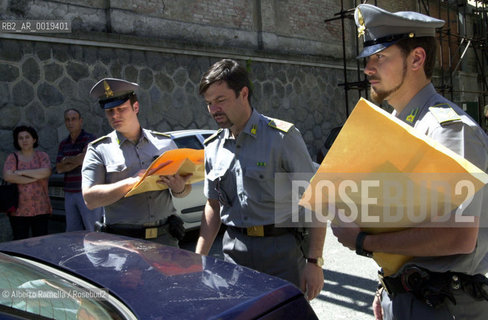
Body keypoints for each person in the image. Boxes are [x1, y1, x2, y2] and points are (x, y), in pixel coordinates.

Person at [331, 4, 488, 320]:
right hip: (407, 295)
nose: (368, 69)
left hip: (444, 304)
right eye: (367, 60)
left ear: (416, 58)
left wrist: (362, 241)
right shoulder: (397, 125)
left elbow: (459, 235)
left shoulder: (449, 130)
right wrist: (386, 285)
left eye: (380, 58)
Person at [194, 59, 326, 301]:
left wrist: (314, 261)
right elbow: (213, 204)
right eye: (209, 104)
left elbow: (316, 200)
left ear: (243, 93)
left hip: (281, 253)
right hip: (234, 252)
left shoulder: (282, 137)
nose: (214, 110)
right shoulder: (212, 147)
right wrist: (198, 258)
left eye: (220, 100)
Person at [81, 78, 191, 247]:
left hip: (165, 238)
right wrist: (130, 183)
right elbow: (90, 199)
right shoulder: (98, 149)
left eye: (121, 109)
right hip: (123, 242)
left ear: (136, 107)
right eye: (110, 111)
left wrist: (179, 187)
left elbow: (184, 190)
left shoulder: (165, 143)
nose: (115, 115)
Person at [56, 108, 103, 232]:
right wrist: (77, 159)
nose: (70, 122)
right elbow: (59, 168)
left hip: (87, 192)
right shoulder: (63, 144)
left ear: (80, 121)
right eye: (67, 120)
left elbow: (84, 160)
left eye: (73, 119)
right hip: (69, 193)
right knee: (72, 231)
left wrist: (67, 160)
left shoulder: (90, 139)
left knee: (93, 230)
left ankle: (96, 252)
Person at [2, 126, 52, 240]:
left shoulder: (42, 156)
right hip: (19, 211)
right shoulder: (12, 158)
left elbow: (46, 172)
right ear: (17, 141)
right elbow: (8, 176)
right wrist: (35, 177)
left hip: (41, 208)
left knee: (41, 242)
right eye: (20, 138)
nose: (24, 140)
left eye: (27, 137)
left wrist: (20, 172)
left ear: (34, 139)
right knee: (20, 242)